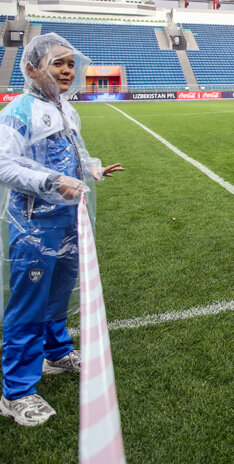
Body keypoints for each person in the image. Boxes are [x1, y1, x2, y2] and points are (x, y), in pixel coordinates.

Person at [0, 33, 124, 427]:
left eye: (71, 64)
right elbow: (4, 164)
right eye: (58, 64)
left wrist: (92, 169)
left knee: (58, 294)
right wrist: (52, 183)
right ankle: (16, 391)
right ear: (33, 69)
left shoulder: (66, 109)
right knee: (29, 303)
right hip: (35, 223)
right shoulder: (19, 111)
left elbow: (76, 152)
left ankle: (56, 352)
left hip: (70, 221)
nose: (68, 71)